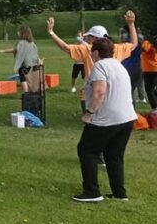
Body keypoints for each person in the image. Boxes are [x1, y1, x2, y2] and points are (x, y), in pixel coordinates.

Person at [73, 38, 137, 202]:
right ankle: (119, 193)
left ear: (95, 52)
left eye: (92, 52)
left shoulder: (100, 66)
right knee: (114, 155)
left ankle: (92, 191)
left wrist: (89, 113)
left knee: (87, 150)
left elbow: (99, 92)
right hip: (126, 118)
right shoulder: (118, 65)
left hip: (106, 118)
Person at [47, 11, 138, 112]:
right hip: (113, 89)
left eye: (90, 37)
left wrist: (51, 32)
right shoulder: (117, 48)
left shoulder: (88, 49)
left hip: (94, 88)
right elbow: (133, 45)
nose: (88, 39)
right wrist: (131, 24)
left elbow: (65, 47)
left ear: (95, 38)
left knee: (93, 119)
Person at [0, 25, 40, 93]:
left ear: (23, 33)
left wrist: (3, 51)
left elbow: (15, 50)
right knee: (26, 77)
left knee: (22, 79)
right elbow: (35, 52)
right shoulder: (31, 43)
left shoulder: (21, 42)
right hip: (30, 65)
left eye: (19, 31)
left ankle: (25, 93)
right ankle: (30, 90)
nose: (18, 33)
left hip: (23, 65)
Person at [120, 26, 144, 107]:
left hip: (129, 67)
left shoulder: (127, 43)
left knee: (128, 91)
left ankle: (131, 112)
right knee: (130, 90)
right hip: (137, 66)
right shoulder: (140, 41)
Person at [141, 37, 157, 111]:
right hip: (154, 69)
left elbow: (144, 49)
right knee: (153, 90)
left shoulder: (147, 43)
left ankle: (155, 108)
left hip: (150, 70)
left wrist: (141, 41)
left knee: (149, 90)